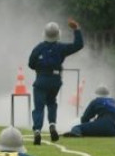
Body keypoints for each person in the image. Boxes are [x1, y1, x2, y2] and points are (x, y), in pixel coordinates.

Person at [28, 17, 83, 145]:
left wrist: (40, 68)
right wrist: (77, 29)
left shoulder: (38, 48)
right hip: (55, 80)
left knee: (39, 107)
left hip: (41, 80)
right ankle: (52, 125)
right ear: (58, 34)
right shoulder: (61, 48)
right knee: (52, 103)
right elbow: (78, 45)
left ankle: (37, 130)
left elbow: (31, 64)